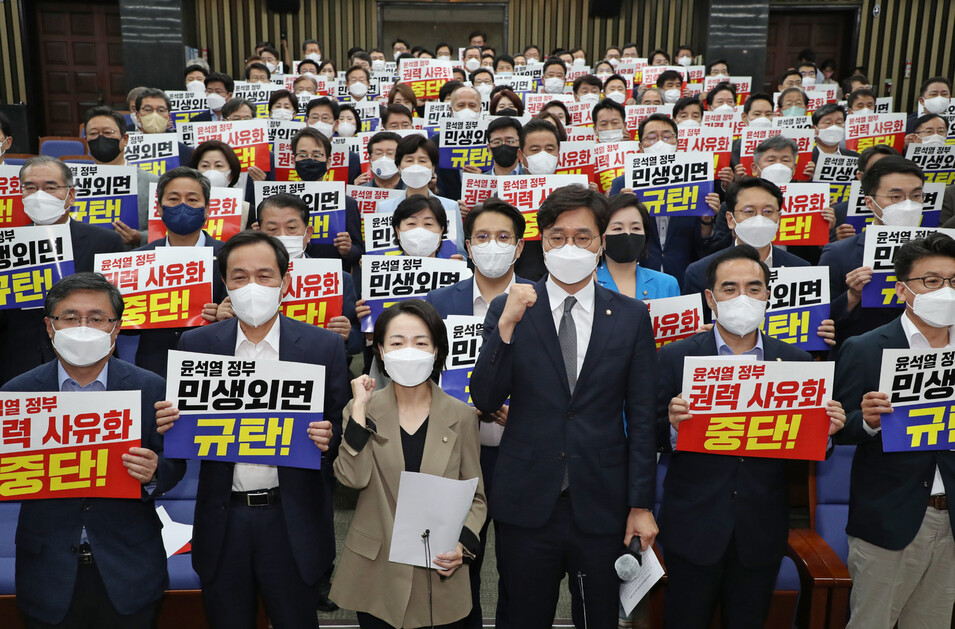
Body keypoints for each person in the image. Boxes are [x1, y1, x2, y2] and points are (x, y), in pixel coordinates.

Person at [470, 184, 659, 628]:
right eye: (557, 237)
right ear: (542, 240)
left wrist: (640, 504)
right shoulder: (511, 305)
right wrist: (507, 327)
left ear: (600, 243)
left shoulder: (631, 316)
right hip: (527, 499)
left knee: (597, 618)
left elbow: (644, 418)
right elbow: (484, 398)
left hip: (601, 499)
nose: (569, 246)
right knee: (521, 614)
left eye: (582, 236)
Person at [155, 230, 349, 628]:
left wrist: (329, 442)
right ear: (224, 283)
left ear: (286, 282)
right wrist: (168, 425)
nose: (252, 286)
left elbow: (341, 437)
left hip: (291, 520)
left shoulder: (321, 347)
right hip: (223, 521)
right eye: (239, 277)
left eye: (264, 276)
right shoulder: (196, 345)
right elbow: (182, 440)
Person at [659, 245, 845, 628]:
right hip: (693, 526)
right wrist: (673, 427)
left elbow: (807, 447)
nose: (742, 297)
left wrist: (825, 433)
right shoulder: (674, 357)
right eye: (729, 288)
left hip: (760, 530)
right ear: (710, 298)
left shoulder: (795, 363)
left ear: (768, 295)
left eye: (753, 288)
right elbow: (644, 436)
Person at [2, 272, 185, 628]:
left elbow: (175, 464)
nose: (82, 327)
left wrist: (154, 472)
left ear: (115, 329)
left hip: (129, 567)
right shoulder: (16, 394)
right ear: (49, 326)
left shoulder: (152, 387)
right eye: (69, 317)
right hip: (46, 570)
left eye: (97, 318)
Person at [330, 300, 485, 628]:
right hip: (376, 572)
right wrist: (359, 408)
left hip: (439, 569)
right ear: (382, 352)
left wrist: (463, 545)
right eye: (397, 342)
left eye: (421, 342)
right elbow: (352, 480)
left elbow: (477, 497)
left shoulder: (462, 416)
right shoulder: (361, 411)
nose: (409, 351)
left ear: (436, 351)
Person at [833, 232, 955, 628]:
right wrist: (866, 422)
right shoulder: (866, 347)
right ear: (902, 289)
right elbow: (838, 428)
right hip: (889, 518)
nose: (946, 290)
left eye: (954, 281)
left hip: (950, 518)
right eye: (932, 281)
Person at [0, 156, 125, 386]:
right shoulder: (5, 246)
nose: (40, 195)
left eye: (51, 187)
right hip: (20, 363)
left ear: (71, 194)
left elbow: (117, 309)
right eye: (30, 187)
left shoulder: (105, 241)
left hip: (93, 366)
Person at [820, 155, 926, 350]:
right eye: (896, 197)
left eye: (916, 196)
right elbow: (820, 319)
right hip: (866, 359)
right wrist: (852, 296)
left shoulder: (941, 251)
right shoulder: (839, 253)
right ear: (870, 203)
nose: (908, 204)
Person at [131, 167, 223, 377]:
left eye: (192, 200)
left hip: (213, 365)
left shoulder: (230, 256)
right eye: (173, 199)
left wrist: (224, 314)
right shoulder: (138, 260)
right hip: (154, 367)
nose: (183, 205)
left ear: (207, 209)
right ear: (159, 208)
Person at [608, 114, 720, 279]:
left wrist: (706, 220)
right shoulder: (622, 184)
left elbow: (703, 247)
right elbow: (611, 238)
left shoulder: (698, 181)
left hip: (682, 277)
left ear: (677, 144)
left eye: (667, 137)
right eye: (651, 138)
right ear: (640, 147)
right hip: (636, 276)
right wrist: (621, 206)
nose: (660, 143)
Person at [683, 177, 809, 299]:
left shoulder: (802, 269)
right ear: (730, 219)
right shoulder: (700, 272)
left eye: (768, 212)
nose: (759, 219)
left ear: (779, 218)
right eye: (749, 211)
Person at [375, 134, 466, 256]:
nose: (416, 166)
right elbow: (380, 252)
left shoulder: (450, 206)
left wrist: (458, 261)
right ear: (399, 167)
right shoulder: (384, 208)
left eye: (422, 161)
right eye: (409, 160)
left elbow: (459, 251)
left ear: (432, 168)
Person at [288, 128, 365, 269]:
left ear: (328, 162)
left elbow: (358, 250)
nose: (309, 159)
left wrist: (348, 250)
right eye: (303, 155)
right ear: (294, 161)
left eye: (316, 155)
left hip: (330, 280)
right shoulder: (278, 202)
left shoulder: (346, 203)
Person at [83, 105, 159, 247]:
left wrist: (139, 237)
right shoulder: (73, 184)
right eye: (93, 134)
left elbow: (165, 232)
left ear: (124, 139)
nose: (100, 138)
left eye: (107, 132)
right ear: (86, 141)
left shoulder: (152, 182)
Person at [596, 193, 680, 300]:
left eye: (635, 228)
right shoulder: (588, 283)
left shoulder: (667, 284)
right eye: (617, 228)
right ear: (601, 237)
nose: (627, 233)